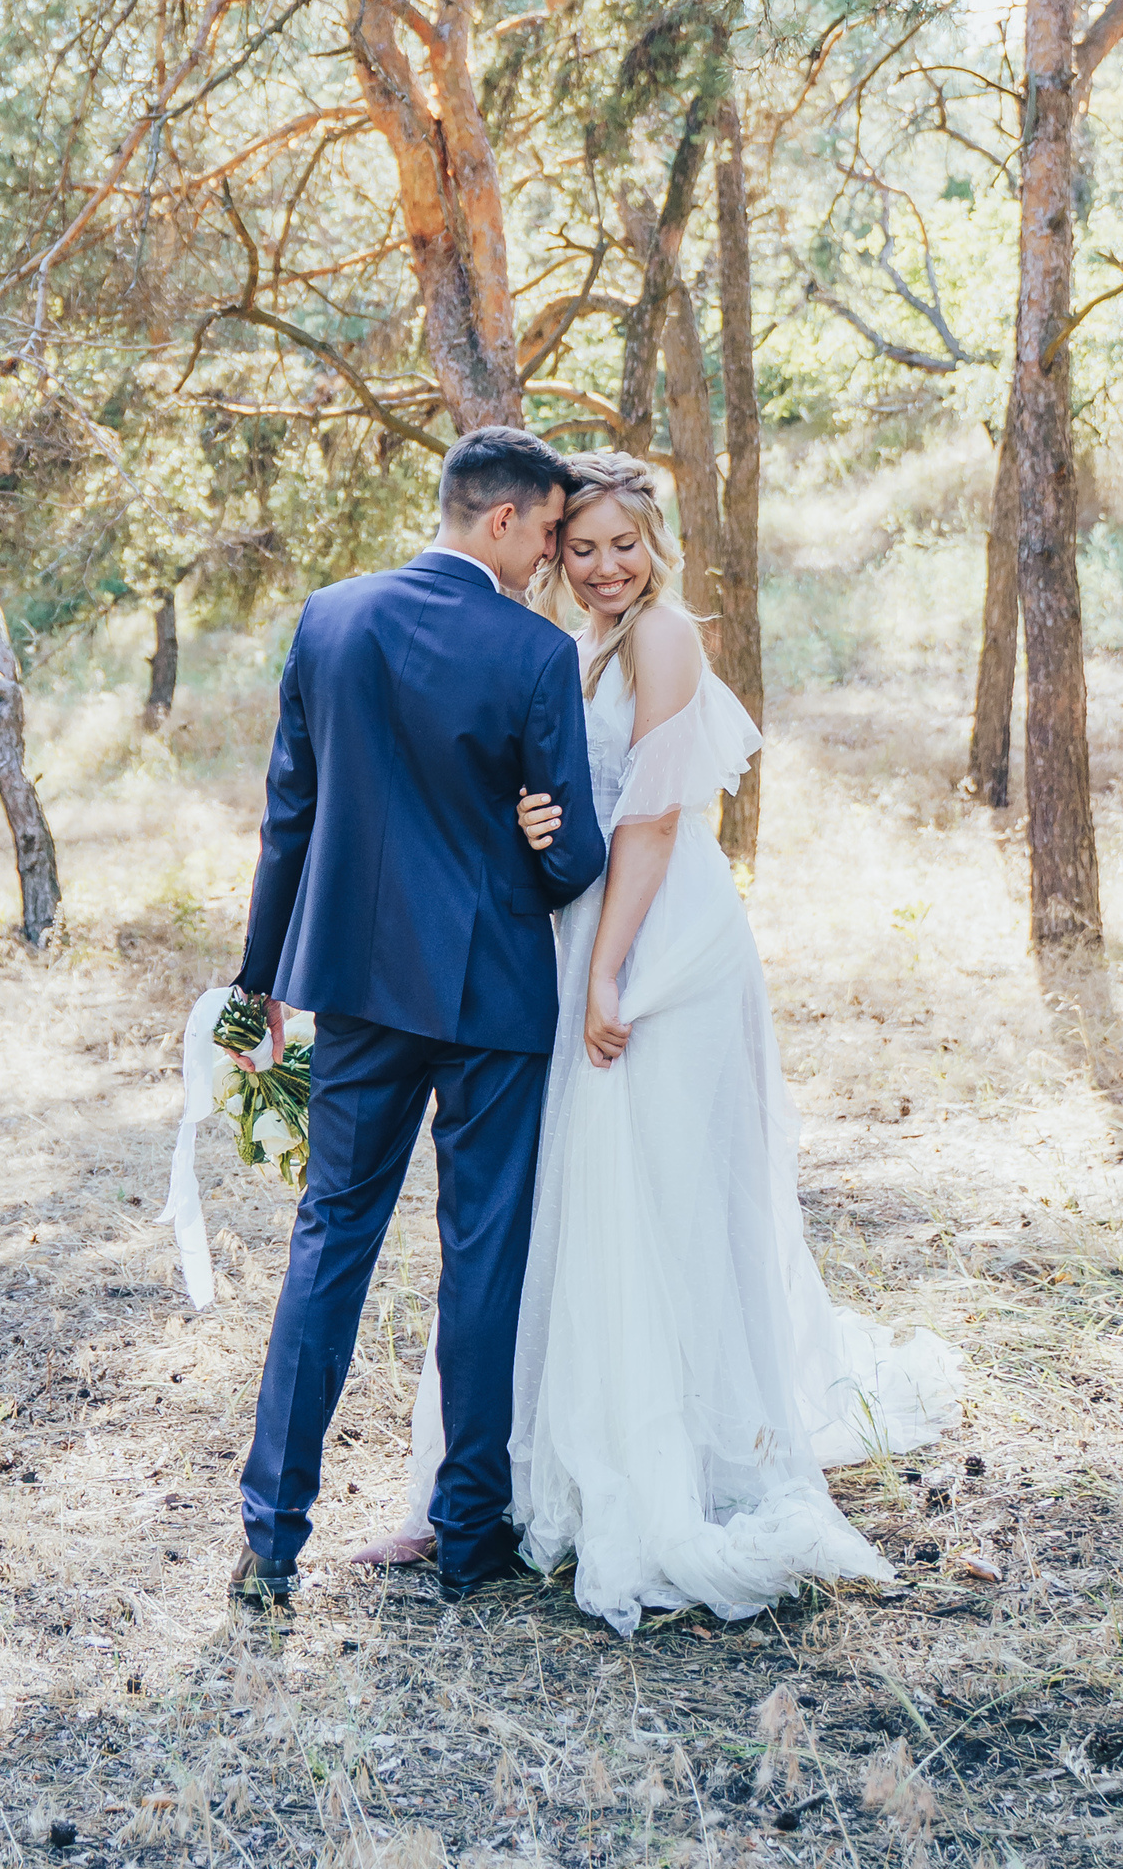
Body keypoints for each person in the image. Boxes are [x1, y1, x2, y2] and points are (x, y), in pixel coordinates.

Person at [376, 451, 959, 1633]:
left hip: (660, 947)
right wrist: (532, 819)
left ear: (657, 544)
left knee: (659, 1194)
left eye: (620, 546)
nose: (600, 568)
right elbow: (567, 799)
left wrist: (607, 977)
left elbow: (648, 823)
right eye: (578, 546)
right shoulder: (559, 639)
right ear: (548, 547)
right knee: (572, 1201)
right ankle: (531, 1468)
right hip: (584, 927)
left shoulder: (663, 640)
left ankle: (676, 1455)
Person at [225, 427, 608, 1608]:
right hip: (493, 994)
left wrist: (259, 985)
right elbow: (572, 860)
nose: (554, 557)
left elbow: (289, 814)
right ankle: (469, 1533)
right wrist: (547, 839)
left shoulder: (329, 619)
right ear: (501, 521)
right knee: (480, 1255)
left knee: (329, 1240)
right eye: (550, 532)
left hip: (353, 988)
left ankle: (270, 1539)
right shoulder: (535, 653)